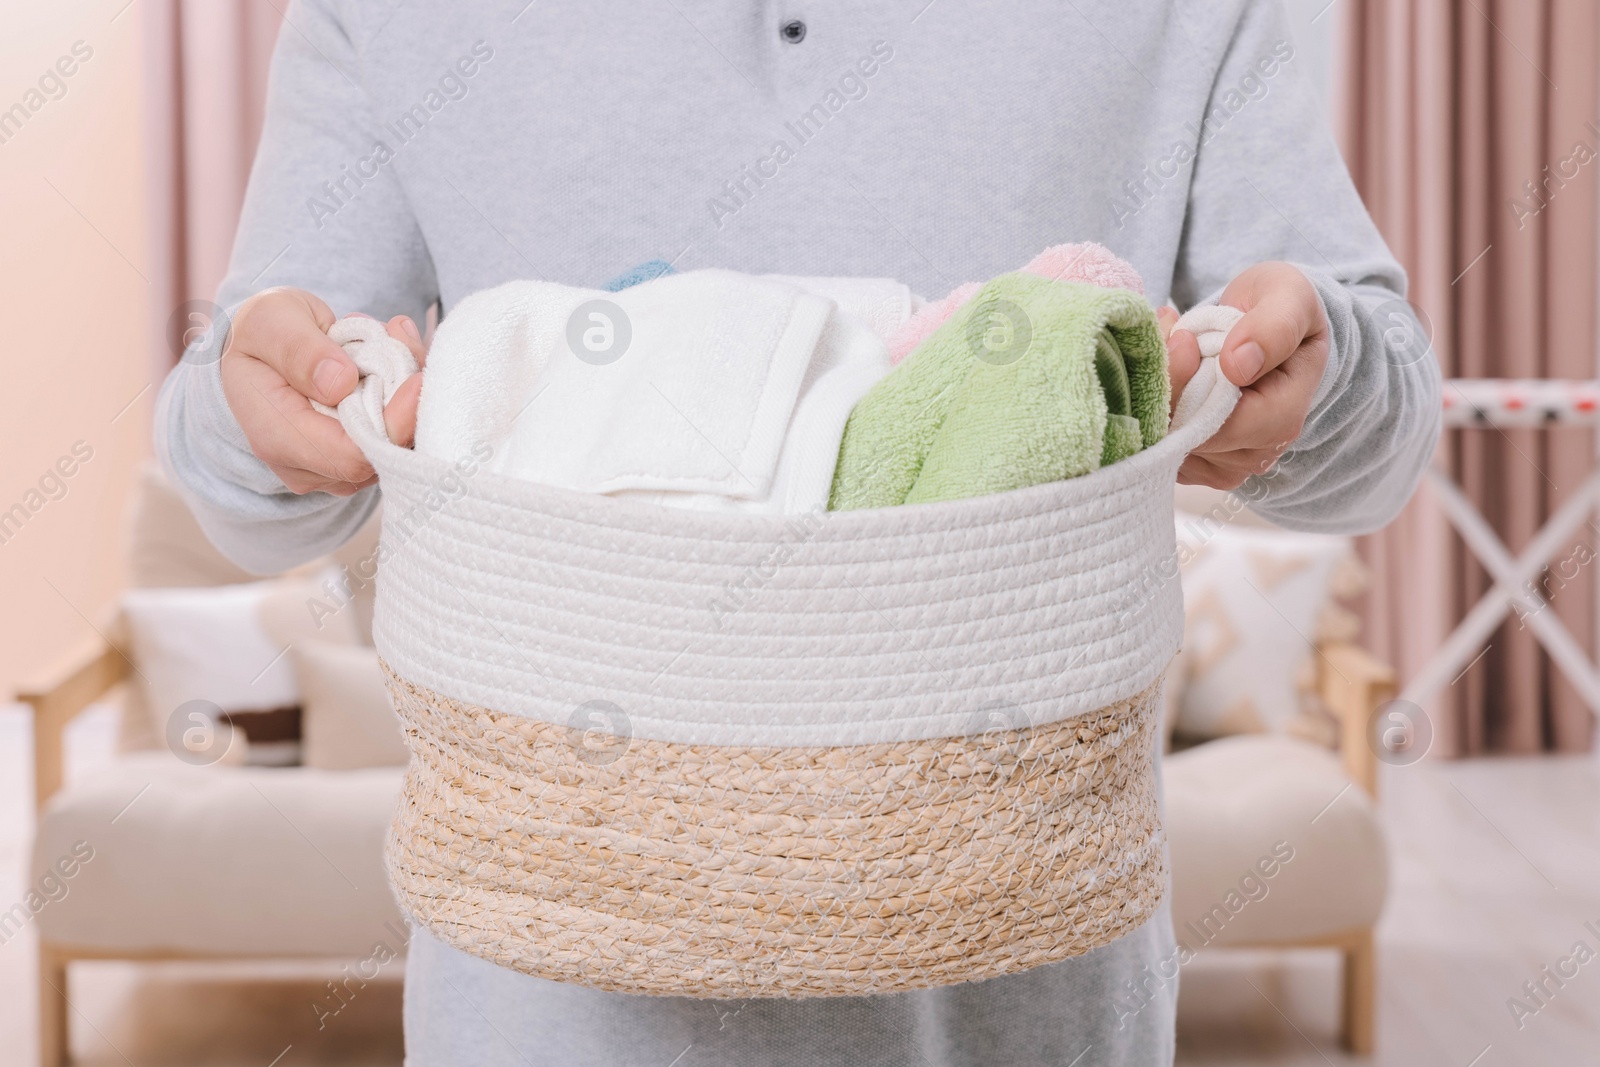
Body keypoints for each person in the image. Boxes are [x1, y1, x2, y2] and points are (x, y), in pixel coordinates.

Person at [156, 1, 1441, 1063]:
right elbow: (247, 475)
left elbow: (1377, 435)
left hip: (1031, 1003)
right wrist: (254, 404)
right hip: (539, 1002)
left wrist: (1310, 376)